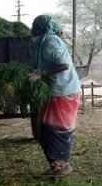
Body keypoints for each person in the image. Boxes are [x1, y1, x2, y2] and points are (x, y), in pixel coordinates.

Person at [30, 15, 81, 176]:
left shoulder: (50, 41)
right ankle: (57, 164)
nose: (32, 29)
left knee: (55, 129)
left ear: (41, 28)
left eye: (35, 26)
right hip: (55, 91)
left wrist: (41, 73)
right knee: (44, 127)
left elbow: (64, 64)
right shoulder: (44, 42)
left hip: (64, 92)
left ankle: (61, 165)